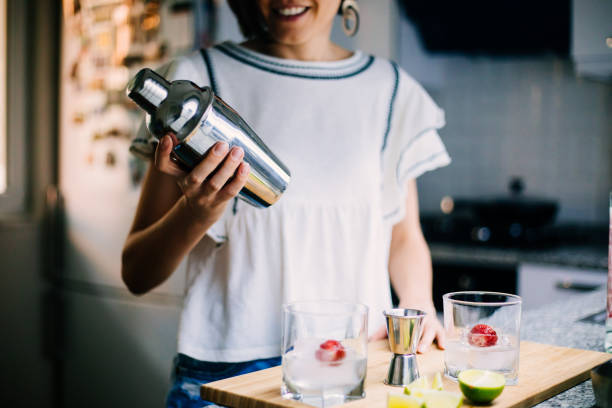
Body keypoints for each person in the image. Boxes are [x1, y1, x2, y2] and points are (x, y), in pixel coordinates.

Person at [121, 1, 451, 406]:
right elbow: (137, 273)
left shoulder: (391, 91)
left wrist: (417, 305)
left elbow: (402, 236)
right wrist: (196, 212)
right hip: (226, 376)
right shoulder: (192, 85)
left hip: (353, 368)